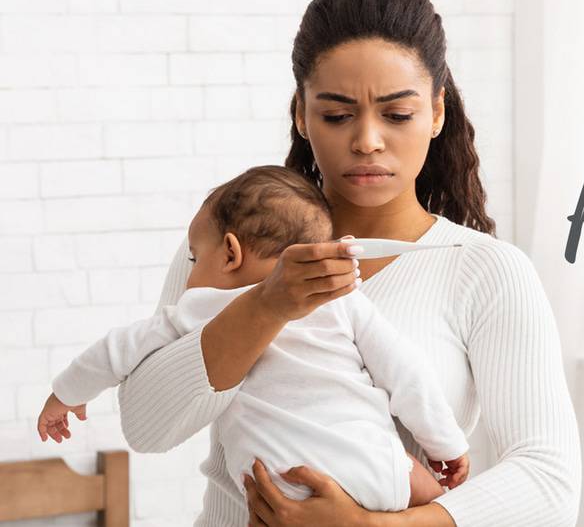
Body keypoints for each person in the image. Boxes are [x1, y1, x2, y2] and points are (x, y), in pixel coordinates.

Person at [116, 0, 582, 527]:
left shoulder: (485, 271)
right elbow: (146, 426)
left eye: (397, 114)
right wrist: (267, 304)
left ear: (436, 113)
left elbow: (549, 482)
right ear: (301, 113)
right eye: (337, 115)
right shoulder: (228, 245)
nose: (366, 140)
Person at [35, 165, 470, 511]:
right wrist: (445, 445)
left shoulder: (197, 309)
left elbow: (116, 351)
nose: (189, 268)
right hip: (376, 466)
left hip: (276, 487)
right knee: (431, 494)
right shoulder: (342, 299)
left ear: (230, 252)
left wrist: (66, 393)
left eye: (194, 256)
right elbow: (407, 373)